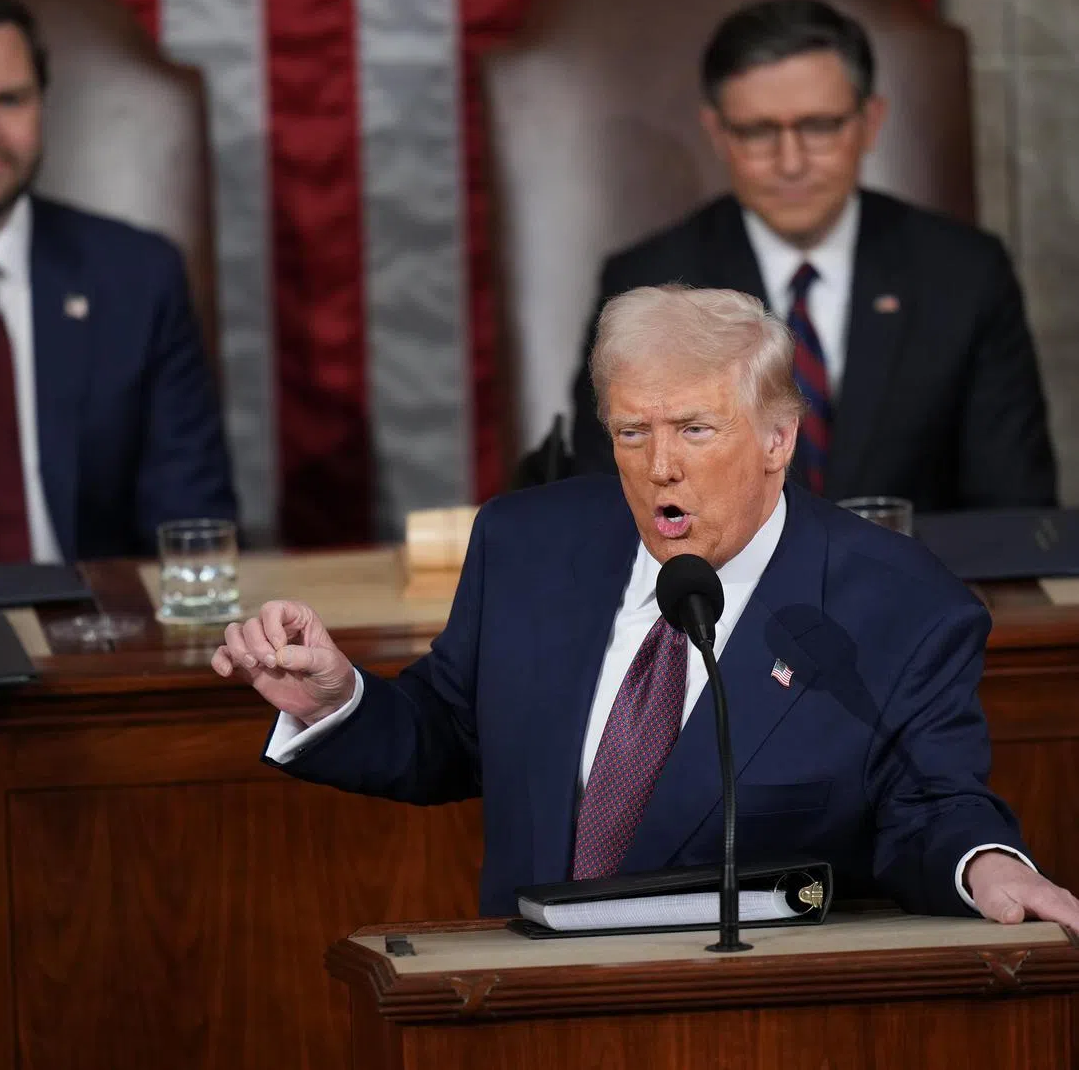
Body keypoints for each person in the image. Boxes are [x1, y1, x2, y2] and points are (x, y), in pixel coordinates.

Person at [214, 284, 1079, 933]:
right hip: (520, 1015)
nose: (659, 465)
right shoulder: (529, 544)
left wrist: (987, 865)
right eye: (633, 432)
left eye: (695, 430)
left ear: (778, 439)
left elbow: (930, 804)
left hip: (745, 1026)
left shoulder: (899, 604)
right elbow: (451, 731)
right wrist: (338, 702)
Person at [565, 0, 1056, 512]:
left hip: (913, 585)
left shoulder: (964, 273)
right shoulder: (648, 284)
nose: (791, 162)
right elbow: (612, 507)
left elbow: (1014, 514)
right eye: (758, 132)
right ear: (718, 135)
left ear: (870, 122)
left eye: (819, 127)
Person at [0, 0, 235, 566]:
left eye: (10, 100)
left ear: (43, 105)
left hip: (92, 634)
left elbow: (191, 522)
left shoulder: (136, 278)